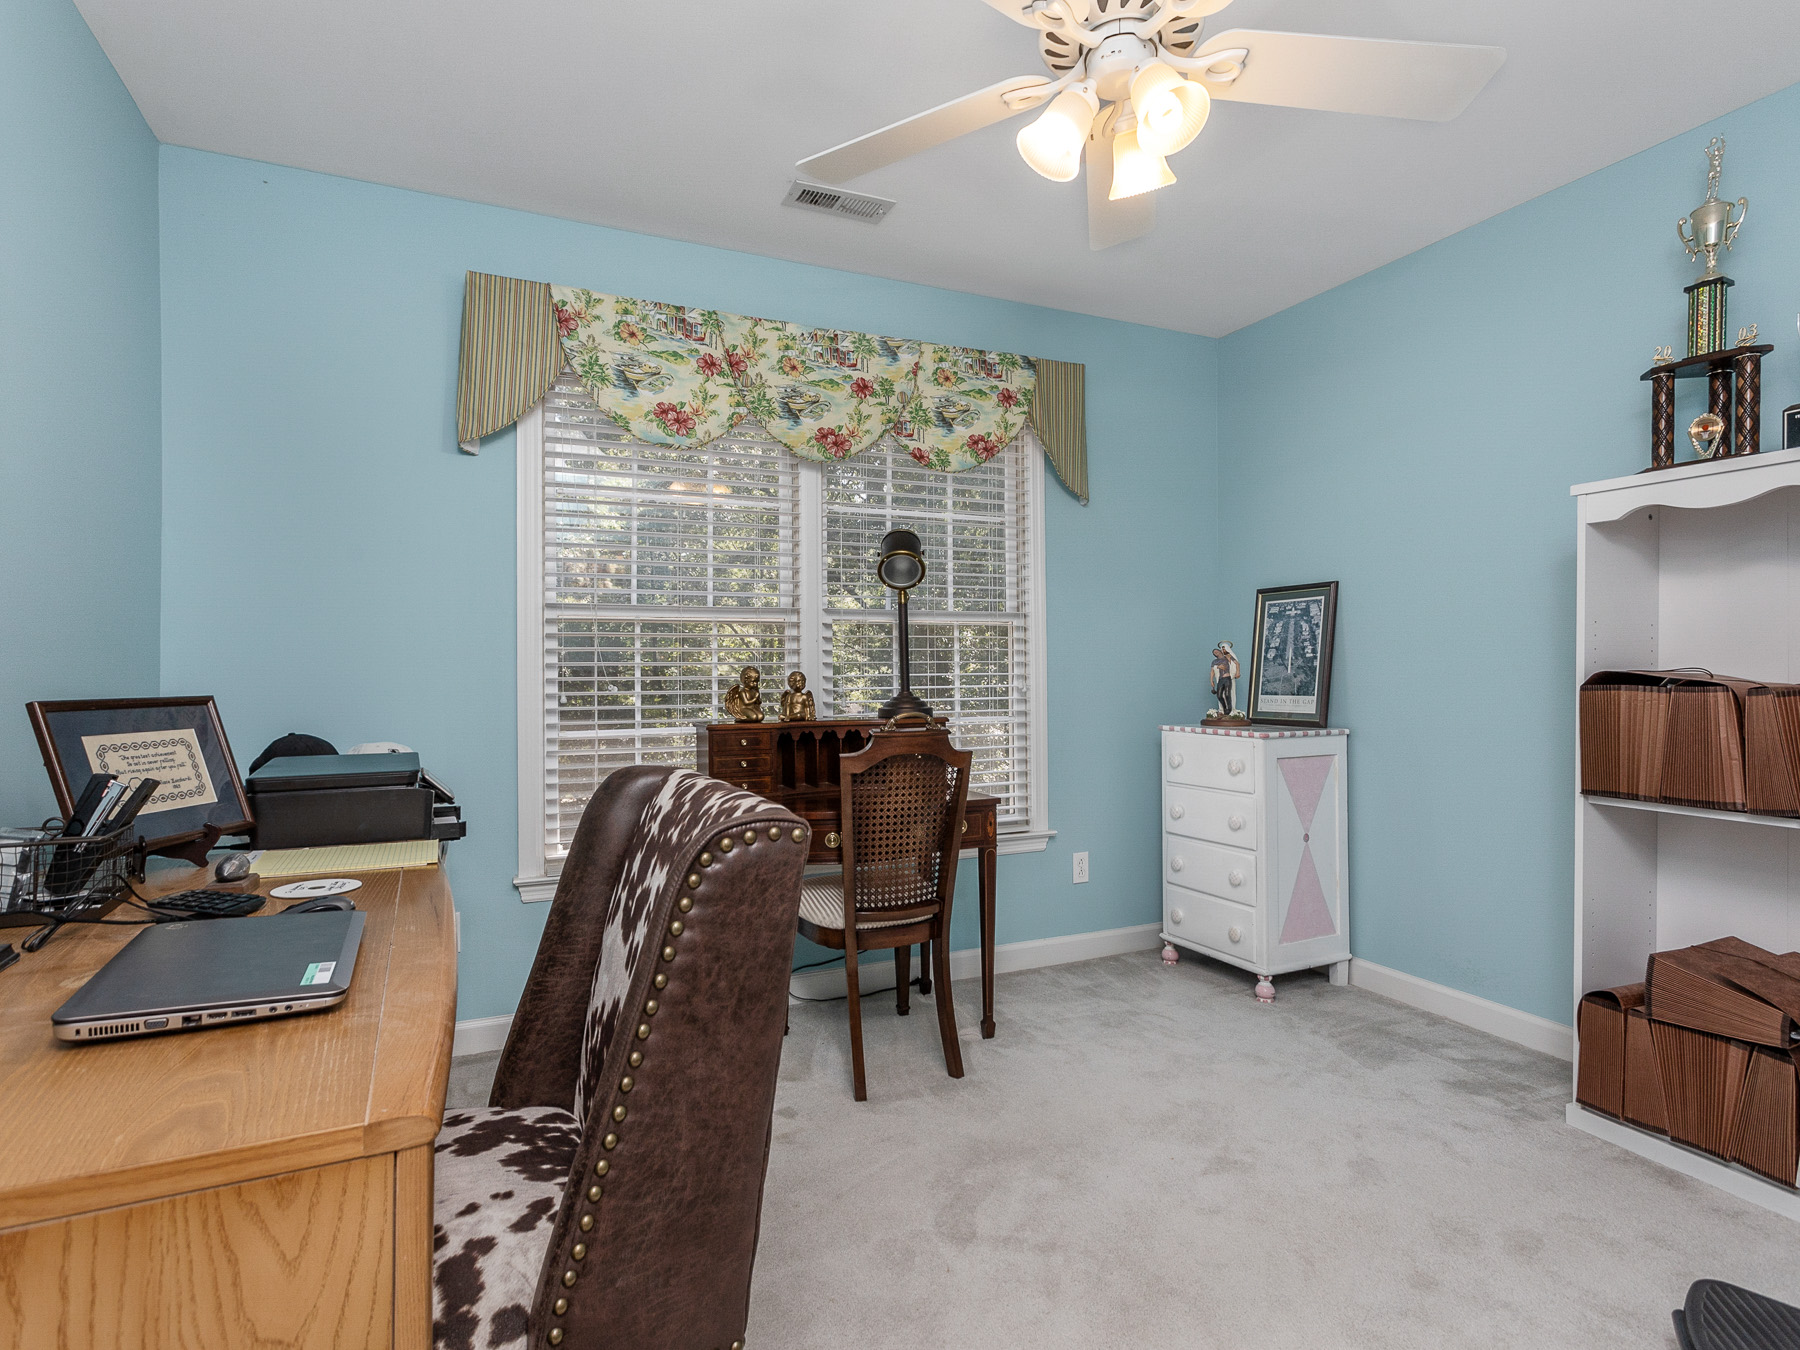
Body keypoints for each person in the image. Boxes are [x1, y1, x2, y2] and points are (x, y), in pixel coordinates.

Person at [1207, 640, 1241, 720]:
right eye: (1214, 653)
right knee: (1219, 695)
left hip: (1227, 678)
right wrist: (1211, 680)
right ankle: (1224, 708)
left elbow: (1236, 663)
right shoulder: (1214, 661)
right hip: (1220, 679)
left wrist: (1237, 672)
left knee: (1227, 694)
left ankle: (1229, 710)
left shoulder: (1227, 657)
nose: (1216, 653)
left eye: (1217, 651)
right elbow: (1212, 671)